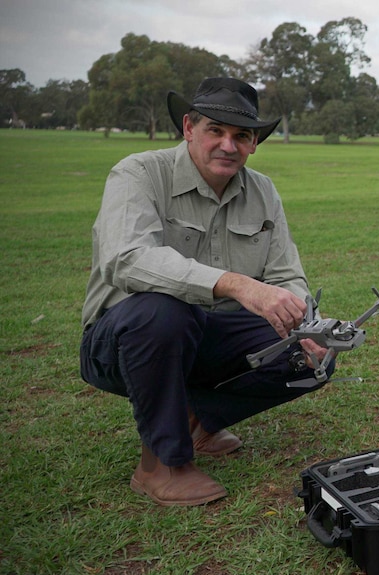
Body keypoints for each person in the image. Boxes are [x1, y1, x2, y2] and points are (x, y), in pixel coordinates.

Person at [79, 77, 333, 506]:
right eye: (215, 130)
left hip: (205, 339)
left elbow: (288, 276)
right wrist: (235, 283)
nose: (228, 145)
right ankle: (160, 464)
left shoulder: (263, 191)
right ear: (188, 128)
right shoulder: (138, 173)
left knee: (307, 356)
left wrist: (309, 327)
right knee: (164, 310)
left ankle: (196, 420)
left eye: (241, 136)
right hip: (122, 342)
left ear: (254, 144)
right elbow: (125, 257)